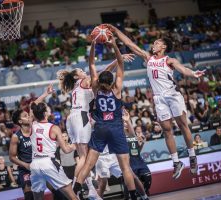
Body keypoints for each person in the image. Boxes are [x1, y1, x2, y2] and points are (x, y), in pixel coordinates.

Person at [107, 24, 206, 179]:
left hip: (173, 95)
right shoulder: (148, 58)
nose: (154, 45)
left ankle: (192, 156)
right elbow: (129, 44)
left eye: (157, 43)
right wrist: (115, 30)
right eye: (154, 43)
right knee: (166, 129)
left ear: (164, 46)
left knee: (183, 125)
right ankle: (176, 162)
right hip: (159, 97)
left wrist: (193, 73)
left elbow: (183, 69)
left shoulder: (169, 60)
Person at [57, 46, 134, 199]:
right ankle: (75, 188)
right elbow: (103, 72)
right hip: (83, 117)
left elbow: (98, 71)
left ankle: (90, 190)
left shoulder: (76, 86)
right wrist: (118, 60)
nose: (83, 71)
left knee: (82, 156)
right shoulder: (86, 82)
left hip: (72, 118)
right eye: (80, 71)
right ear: (77, 76)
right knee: (85, 159)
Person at [29, 96, 78, 200]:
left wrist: (45, 93)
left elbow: (31, 106)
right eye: (47, 108)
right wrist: (78, 144)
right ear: (45, 113)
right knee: (72, 196)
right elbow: (66, 149)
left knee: (37, 198)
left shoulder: (32, 125)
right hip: (49, 163)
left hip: (34, 165)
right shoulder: (54, 128)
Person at [9, 109, 33, 200]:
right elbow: (11, 157)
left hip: (40, 166)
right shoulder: (16, 137)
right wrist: (25, 165)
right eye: (25, 115)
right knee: (29, 196)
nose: (28, 117)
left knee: (57, 190)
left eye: (28, 115)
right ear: (20, 121)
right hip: (26, 169)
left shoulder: (36, 130)